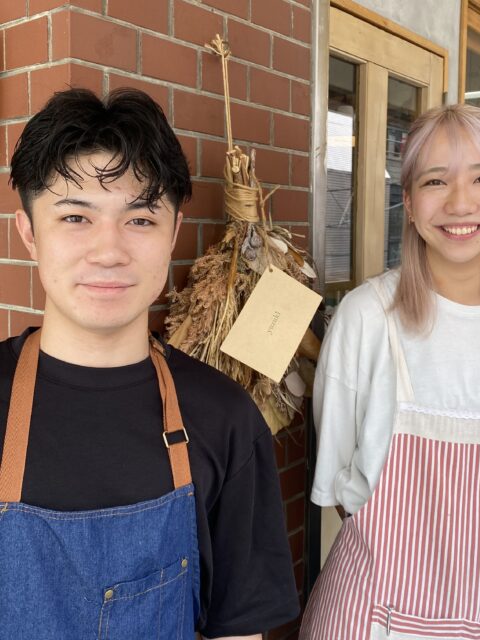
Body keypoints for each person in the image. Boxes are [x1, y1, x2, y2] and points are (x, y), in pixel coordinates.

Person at [0, 88, 299, 639]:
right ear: (29, 234)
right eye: (75, 216)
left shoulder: (225, 418)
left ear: (173, 235)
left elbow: (238, 631)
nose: (109, 251)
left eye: (140, 220)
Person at [300, 104, 480, 639]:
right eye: (435, 180)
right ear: (409, 201)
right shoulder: (367, 316)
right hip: (376, 617)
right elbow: (338, 480)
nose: (460, 202)